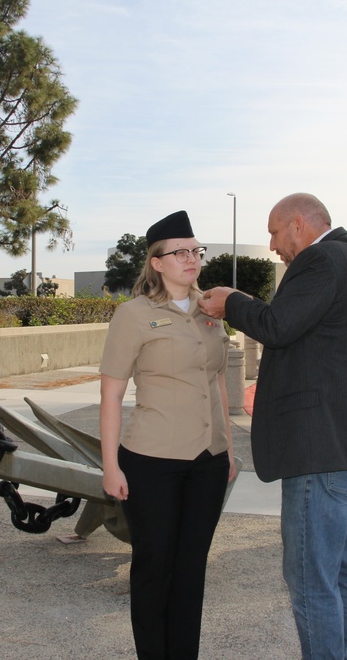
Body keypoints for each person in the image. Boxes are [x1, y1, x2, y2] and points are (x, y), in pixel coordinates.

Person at [198, 193, 347, 660]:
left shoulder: (321, 260)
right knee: (341, 574)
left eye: (273, 233)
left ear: (298, 225)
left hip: (322, 452)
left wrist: (232, 300)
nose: (271, 246)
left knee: (309, 582)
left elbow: (279, 325)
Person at [99, 210, 237, 659]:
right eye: (180, 252)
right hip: (152, 462)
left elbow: (217, 384)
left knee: (191, 570)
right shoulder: (134, 315)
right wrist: (110, 465)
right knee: (154, 569)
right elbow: (111, 393)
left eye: (196, 251)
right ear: (157, 262)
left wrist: (229, 451)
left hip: (208, 463)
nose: (192, 258)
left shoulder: (211, 310)